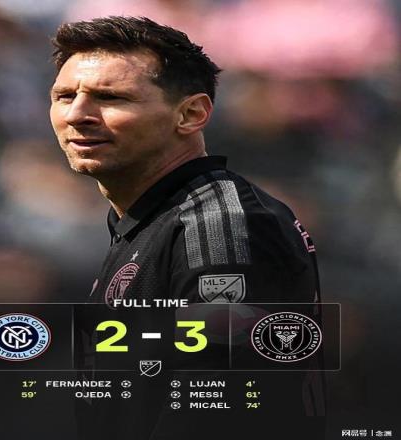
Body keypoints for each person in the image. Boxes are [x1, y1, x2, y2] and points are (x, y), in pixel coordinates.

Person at [49, 16, 325, 440]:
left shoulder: (219, 225)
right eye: (64, 96)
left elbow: (221, 408)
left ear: (191, 114)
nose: (77, 114)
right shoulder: (150, 219)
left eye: (110, 97)